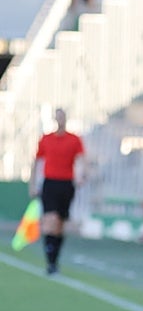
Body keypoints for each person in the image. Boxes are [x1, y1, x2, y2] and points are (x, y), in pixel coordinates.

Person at [28, 107, 85, 275]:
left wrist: (80, 176)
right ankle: (50, 261)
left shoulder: (74, 140)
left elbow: (81, 159)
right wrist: (32, 184)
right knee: (50, 220)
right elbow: (36, 162)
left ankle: (55, 259)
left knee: (59, 223)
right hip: (50, 183)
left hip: (66, 184)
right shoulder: (46, 139)